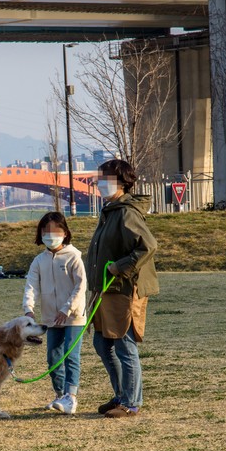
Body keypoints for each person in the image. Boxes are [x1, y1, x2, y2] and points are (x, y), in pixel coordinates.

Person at [85, 159, 159, 418]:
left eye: (105, 178)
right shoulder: (111, 210)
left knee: (124, 345)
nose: (100, 183)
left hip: (124, 288)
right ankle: (120, 395)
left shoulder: (127, 212)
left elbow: (148, 246)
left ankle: (131, 402)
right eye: (100, 178)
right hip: (106, 290)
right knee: (102, 343)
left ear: (121, 182)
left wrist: (119, 267)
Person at [23, 212, 87, 415]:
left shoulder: (73, 257)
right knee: (53, 357)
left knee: (70, 355)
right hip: (51, 317)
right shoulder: (39, 260)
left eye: (55, 230)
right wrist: (29, 310)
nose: (50, 235)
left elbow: (81, 286)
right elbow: (31, 286)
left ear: (65, 232)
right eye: (46, 231)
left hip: (73, 316)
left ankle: (71, 396)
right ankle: (60, 394)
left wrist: (66, 308)